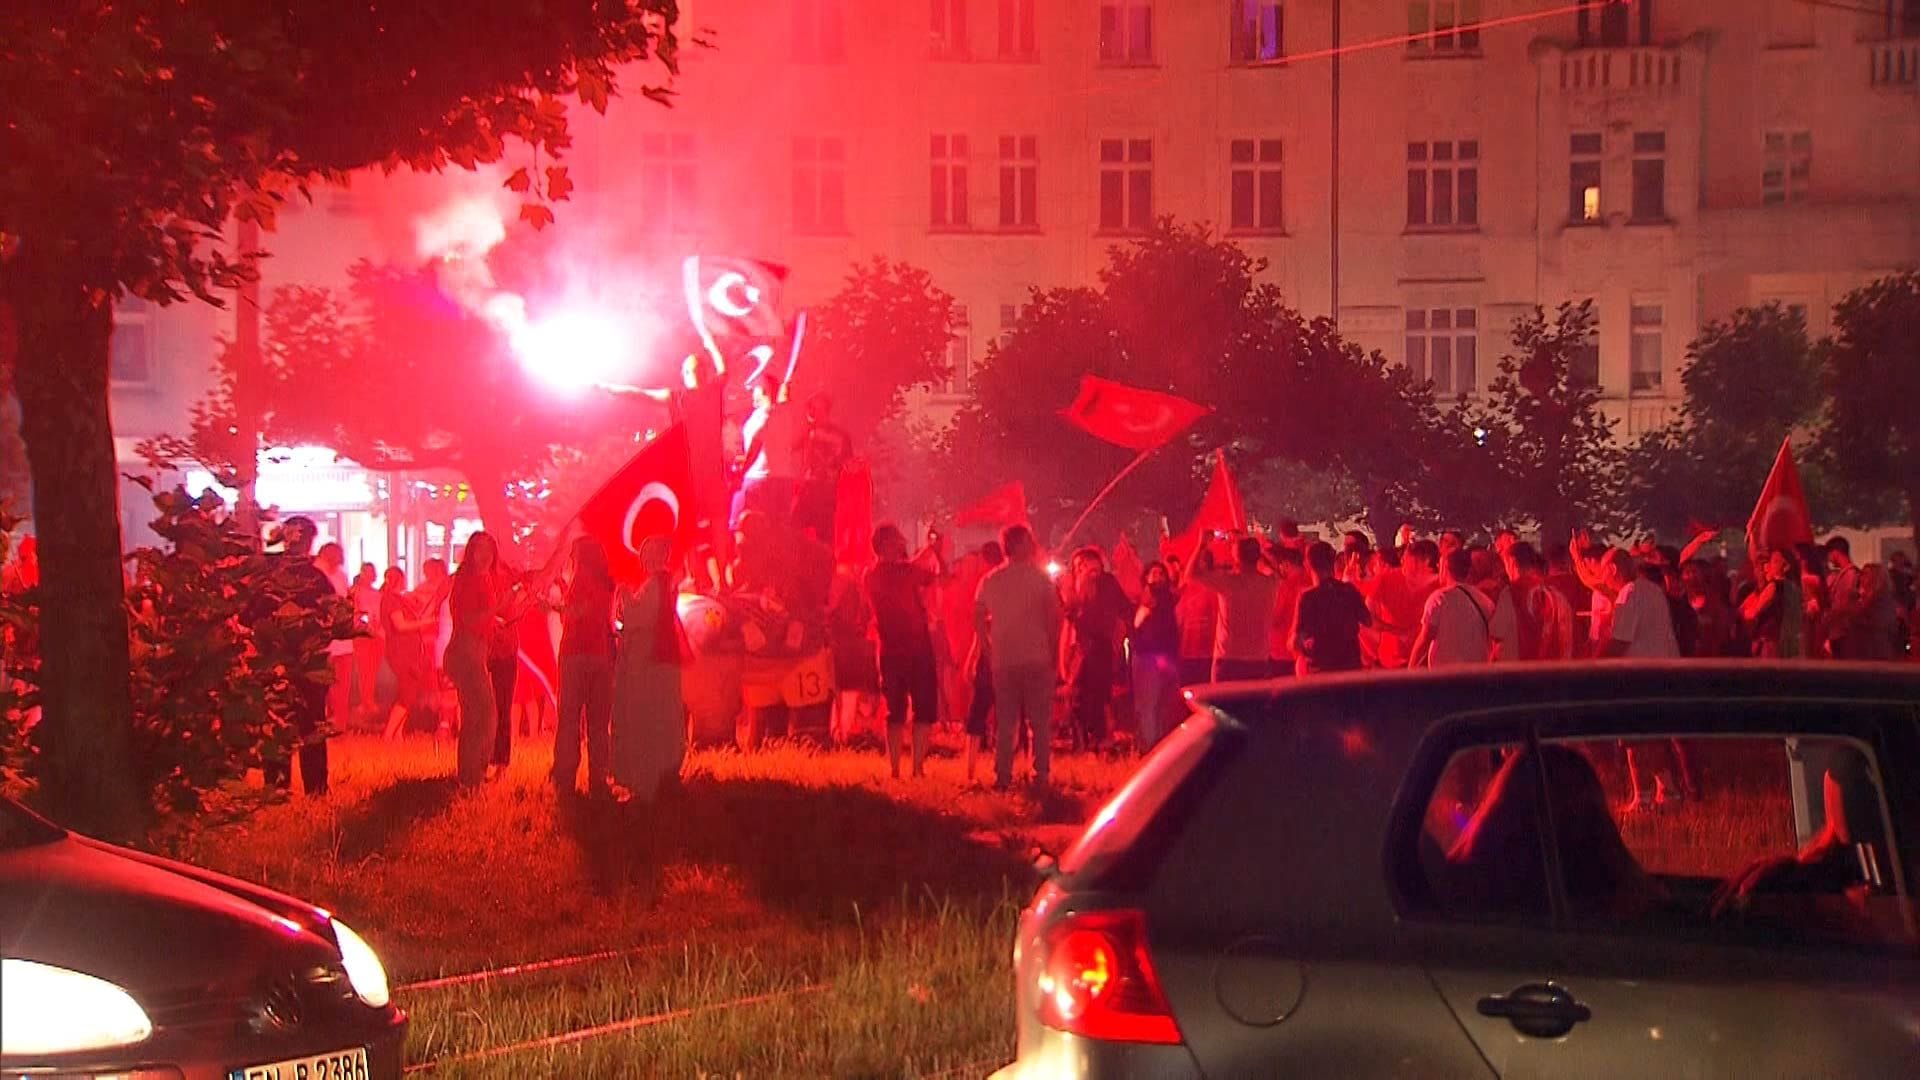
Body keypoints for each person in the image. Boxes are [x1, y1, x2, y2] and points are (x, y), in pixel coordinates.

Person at [975, 524, 1062, 791]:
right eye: (1030, 541)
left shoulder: (991, 580)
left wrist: (985, 645)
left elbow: (977, 613)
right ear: (1019, 545)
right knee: (1039, 721)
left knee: (1006, 722)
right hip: (1036, 657)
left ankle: (1003, 776)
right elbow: (1054, 618)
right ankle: (1041, 776)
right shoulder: (1039, 579)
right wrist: (1054, 653)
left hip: (1004, 659)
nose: (1034, 544)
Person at [257, 517, 337, 796]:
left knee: (278, 723)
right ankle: (316, 789)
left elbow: (250, 616)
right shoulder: (316, 579)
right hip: (308, 663)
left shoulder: (267, 578)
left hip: (274, 662)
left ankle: (277, 786)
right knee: (311, 727)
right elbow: (333, 617)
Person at [611, 536, 688, 803]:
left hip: (652, 663)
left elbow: (637, 618)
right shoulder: (662, 585)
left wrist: (623, 596)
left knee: (649, 719)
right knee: (663, 717)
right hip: (660, 661)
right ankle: (662, 777)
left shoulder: (656, 585)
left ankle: (648, 783)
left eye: (650, 553)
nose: (645, 558)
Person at [865, 524, 945, 778]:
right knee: (923, 708)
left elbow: (909, 569)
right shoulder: (905, 572)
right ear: (888, 543)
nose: (902, 542)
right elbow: (938, 577)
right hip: (917, 648)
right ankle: (917, 768)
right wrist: (935, 551)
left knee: (895, 710)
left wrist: (928, 550)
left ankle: (895, 769)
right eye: (898, 538)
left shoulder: (871, 575)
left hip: (890, 649)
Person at [552, 536, 617, 796]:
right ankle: (598, 780)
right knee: (599, 724)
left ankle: (564, 779)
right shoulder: (605, 583)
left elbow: (576, 612)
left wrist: (556, 607)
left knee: (569, 719)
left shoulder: (581, 579)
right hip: (600, 655)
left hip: (576, 655)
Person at [1062, 546, 1132, 752]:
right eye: (1079, 565)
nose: (1083, 567)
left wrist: (1121, 634)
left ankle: (1101, 739)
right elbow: (1069, 617)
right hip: (1080, 649)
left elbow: (1123, 608)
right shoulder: (1074, 588)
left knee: (1099, 696)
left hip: (1100, 648)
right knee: (1079, 695)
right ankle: (1084, 740)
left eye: (1087, 562)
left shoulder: (1107, 582)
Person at [1187, 537, 1282, 682]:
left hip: (1228, 660)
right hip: (1258, 661)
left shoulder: (1228, 582)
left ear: (1236, 556)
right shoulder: (1270, 584)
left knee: (1222, 704)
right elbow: (1274, 569)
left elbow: (1191, 574)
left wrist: (1201, 544)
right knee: (1254, 704)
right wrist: (1261, 552)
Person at [1290, 541, 1372, 675]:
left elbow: (1296, 642)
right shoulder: (1349, 590)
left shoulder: (1308, 598)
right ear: (1332, 563)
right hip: (1351, 669)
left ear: (1308, 564)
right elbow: (1368, 621)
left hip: (1322, 673)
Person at [962, 541, 1005, 782]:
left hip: (993, 658)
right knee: (1004, 715)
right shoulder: (1013, 580)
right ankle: (1005, 770)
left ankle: (972, 770)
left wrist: (973, 656)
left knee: (978, 714)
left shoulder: (988, 582)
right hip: (1003, 658)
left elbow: (980, 625)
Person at [1407, 549, 1494, 668]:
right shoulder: (1485, 601)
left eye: (1440, 564)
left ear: (1445, 568)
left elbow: (1425, 639)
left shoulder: (1440, 598)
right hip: (1476, 676)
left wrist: (1410, 670)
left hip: (1445, 676)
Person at [733, 373, 798, 528]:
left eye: (755, 388)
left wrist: (741, 472)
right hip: (783, 479)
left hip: (760, 481)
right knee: (778, 529)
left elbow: (756, 446)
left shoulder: (765, 416)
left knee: (743, 526)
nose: (752, 392)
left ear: (763, 390)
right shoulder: (784, 413)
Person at [1130, 561, 1182, 751]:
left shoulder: (1168, 599)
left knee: (1158, 704)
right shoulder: (1147, 599)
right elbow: (1136, 625)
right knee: (1151, 704)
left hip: (1161, 656)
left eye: (1161, 573)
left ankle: (1155, 744)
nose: (1158, 576)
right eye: (1154, 573)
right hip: (1150, 656)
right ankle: (1152, 745)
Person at [1371, 539, 1442, 669]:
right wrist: (1399, 632)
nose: (1402, 561)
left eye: (1407, 558)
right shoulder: (1385, 579)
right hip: (1389, 664)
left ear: (1425, 561)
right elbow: (1368, 617)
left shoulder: (1442, 588)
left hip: (1426, 665)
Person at [380, 567, 432, 741]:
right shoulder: (391, 600)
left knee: (408, 692)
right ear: (400, 580)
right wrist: (425, 623)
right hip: (402, 652)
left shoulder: (398, 599)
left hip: (409, 651)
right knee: (407, 692)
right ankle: (389, 734)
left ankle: (398, 734)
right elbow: (400, 625)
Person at [793, 392, 853, 542]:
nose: (811, 412)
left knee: (824, 532)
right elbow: (791, 449)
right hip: (809, 487)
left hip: (827, 490)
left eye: (814, 408)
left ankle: (823, 561)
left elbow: (847, 462)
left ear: (824, 410)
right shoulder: (806, 432)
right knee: (796, 527)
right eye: (810, 409)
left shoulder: (839, 435)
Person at [1599, 550, 1681, 659]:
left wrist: (1596, 665)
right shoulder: (1654, 590)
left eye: (1603, 571)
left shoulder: (1628, 593)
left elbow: (1620, 642)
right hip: (1663, 667)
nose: (1603, 579)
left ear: (1613, 569)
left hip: (1641, 670)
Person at [315, 542, 355, 734]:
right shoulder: (315, 574)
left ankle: (341, 723)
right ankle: (325, 721)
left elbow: (346, 600)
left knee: (343, 684)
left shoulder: (340, 576)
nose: (336, 565)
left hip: (343, 640)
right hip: (323, 640)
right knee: (325, 684)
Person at [1742, 548, 1807, 658]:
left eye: (1774, 561)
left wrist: (1744, 611)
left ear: (1785, 567)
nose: (1768, 565)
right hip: (1788, 641)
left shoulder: (1774, 586)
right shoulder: (1795, 588)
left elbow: (1753, 613)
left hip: (1770, 641)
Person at [1173, 556, 1218, 687]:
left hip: (1207, 654)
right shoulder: (1184, 590)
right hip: (1186, 653)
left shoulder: (1214, 589)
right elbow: (1178, 620)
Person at [350, 563, 383, 726]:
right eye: (367, 572)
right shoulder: (354, 592)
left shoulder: (377, 594)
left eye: (372, 572)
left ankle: (370, 700)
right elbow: (354, 613)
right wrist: (365, 623)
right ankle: (365, 702)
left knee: (373, 669)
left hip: (377, 635)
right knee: (364, 668)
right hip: (363, 634)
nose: (370, 575)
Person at [1267, 545, 1306, 676]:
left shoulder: (1286, 586)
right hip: (1303, 651)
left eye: (1280, 566)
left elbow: (1275, 618)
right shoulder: (1311, 580)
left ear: (1286, 564)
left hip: (1282, 650)